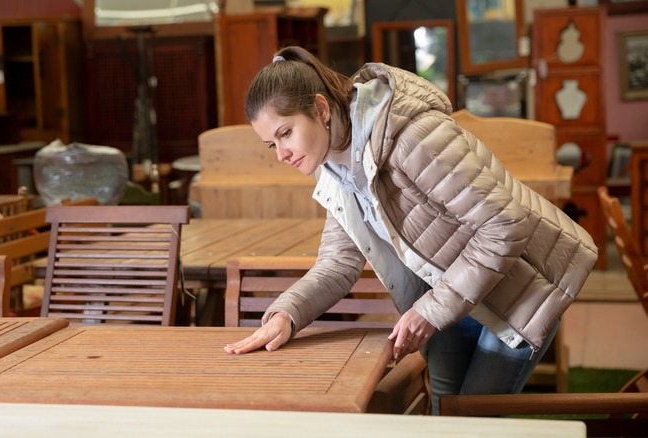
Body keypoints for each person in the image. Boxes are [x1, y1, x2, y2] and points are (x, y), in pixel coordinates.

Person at [223, 46, 598, 415]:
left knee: (471, 418)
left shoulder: (411, 136)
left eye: (286, 133)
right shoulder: (334, 165)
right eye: (272, 143)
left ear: (321, 110)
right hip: (453, 288)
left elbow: (505, 225)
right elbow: (338, 264)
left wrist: (429, 313)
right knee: (443, 411)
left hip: (523, 287)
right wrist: (286, 315)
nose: (281, 155)